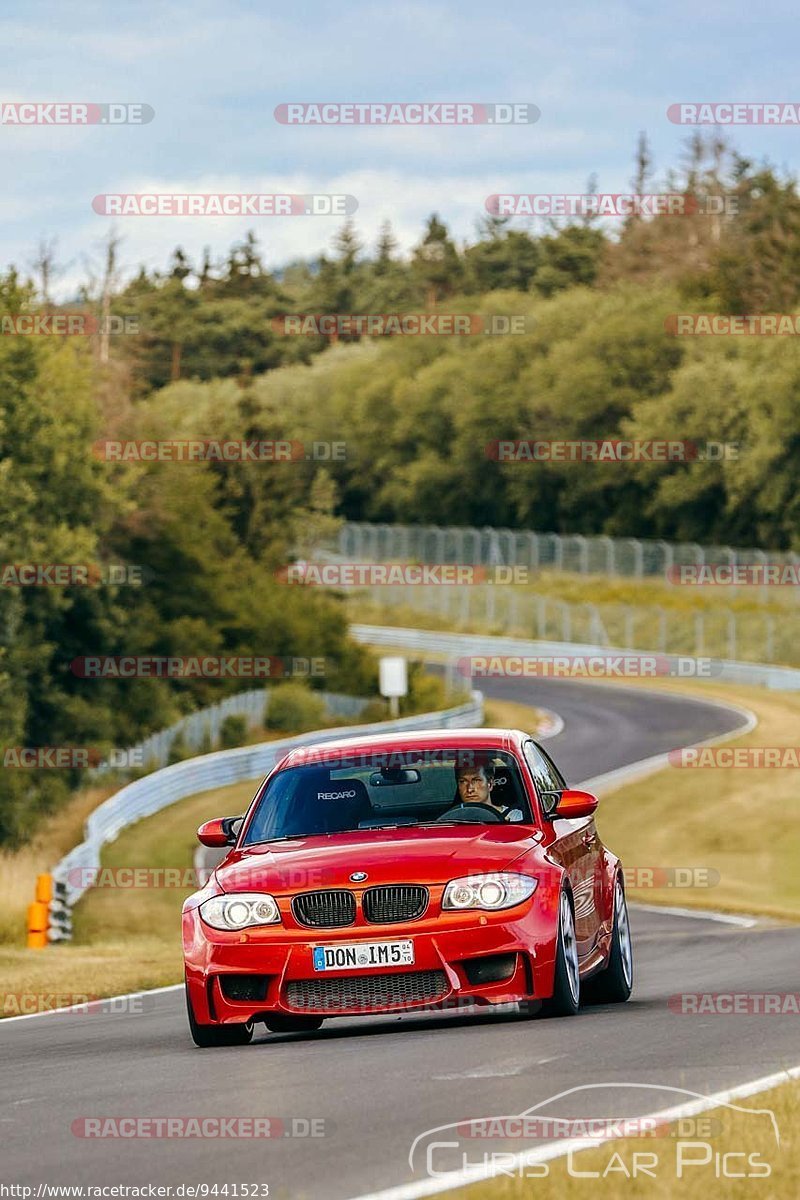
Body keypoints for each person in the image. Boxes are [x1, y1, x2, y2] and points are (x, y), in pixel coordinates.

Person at [453, 754, 524, 822]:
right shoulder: (450, 820)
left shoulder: (515, 817)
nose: (470, 789)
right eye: (463, 781)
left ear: (490, 784)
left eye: (476, 780)